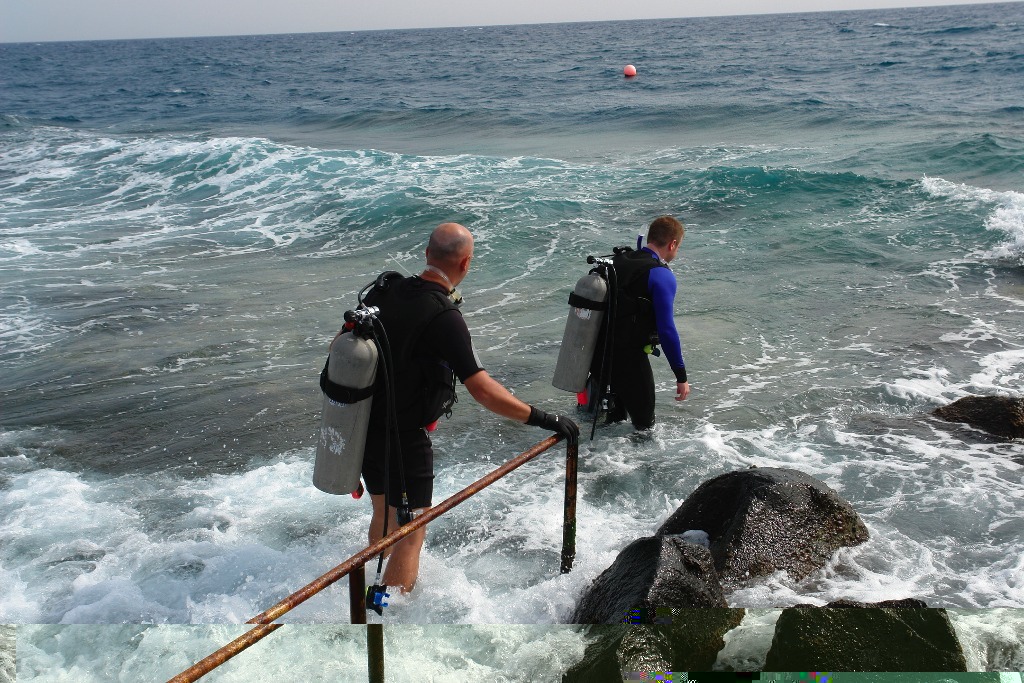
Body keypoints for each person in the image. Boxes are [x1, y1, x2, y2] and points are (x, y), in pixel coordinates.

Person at [351, 221, 579, 593]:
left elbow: (339, 347)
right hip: (405, 439)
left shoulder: (385, 290)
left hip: (363, 428)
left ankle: (363, 598)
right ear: (466, 263)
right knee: (411, 533)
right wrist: (545, 418)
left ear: (427, 254)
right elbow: (484, 390)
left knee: (385, 513)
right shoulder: (443, 317)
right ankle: (390, 619)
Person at [592, 215, 690, 430]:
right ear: (672, 243)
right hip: (629, 361)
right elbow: (666, 330)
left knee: (611, 423)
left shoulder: (616, 261)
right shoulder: (660, 275)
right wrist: (681, 376)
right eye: (678, 247)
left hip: (596, 357)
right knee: (645, 429)